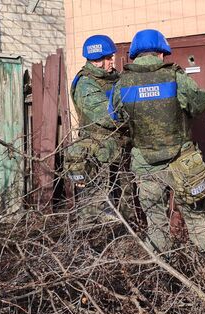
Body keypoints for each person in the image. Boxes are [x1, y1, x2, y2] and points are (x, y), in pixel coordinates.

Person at [112, 29, 205, 253]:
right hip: (182, 160)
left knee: (156, 221)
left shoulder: (122, 84)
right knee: (196, 214)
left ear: (135, 54)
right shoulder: (176, 77)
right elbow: (200, 103)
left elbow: (116, 118)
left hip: (145, 163)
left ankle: (162, 274)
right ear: (162, 53)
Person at [66, 35, 132, 220]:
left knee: (125, 203)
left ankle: (126, 241)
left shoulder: (115, 78)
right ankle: (93, 245)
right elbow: (107, 117)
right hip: (97, 154)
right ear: (96, 60)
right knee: (96, 209)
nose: (112, 61)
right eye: (108, 58)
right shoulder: (86, 84)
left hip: (119, 151)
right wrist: (134, 114)